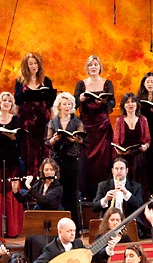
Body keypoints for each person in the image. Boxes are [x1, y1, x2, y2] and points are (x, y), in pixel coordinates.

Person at [74, 55, 116, 193]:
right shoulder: (81, 84)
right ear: (87, 67)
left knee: (104, 160)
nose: (93, 67)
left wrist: (104, 102)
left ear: (100, 67)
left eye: (96, 64)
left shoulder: (107, 83)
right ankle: (87, 192)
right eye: (90, 65)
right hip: (86, 127)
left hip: (103, 127)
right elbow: (74, 104)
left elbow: (112, 102)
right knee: (86, 160)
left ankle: (103, 190)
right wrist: (80, 99)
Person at [0, 91, 24, 237]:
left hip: (11, 162)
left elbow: (19, 139)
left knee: (10, 195)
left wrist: (10, 135)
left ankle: (12, 229)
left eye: (9, 101)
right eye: (4, 100)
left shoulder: (15, 120)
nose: (6, 103)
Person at [15, 52, 55, 179]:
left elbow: (51, 105)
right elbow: (17, 103)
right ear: (26, 66)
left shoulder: (46, 81)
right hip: (26, 124)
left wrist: (54, 124)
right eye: (30, 64)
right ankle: (28, 181)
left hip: (43, 122)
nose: (34, 66)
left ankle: (43, 180)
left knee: (43, 151)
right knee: (27, 153)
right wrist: (14, 122)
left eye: (36, 63)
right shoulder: (20, 82)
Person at [46, 91, 85, 223]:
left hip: (72, 161)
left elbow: (83, 140)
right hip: (57, 162)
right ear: (59, 106)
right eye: (65, 104)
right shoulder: (53, 122)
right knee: (57, 193)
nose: (67, 106)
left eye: (69, 104)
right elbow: (48, 142)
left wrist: (76, 140)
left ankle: (75, 226)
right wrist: (55, 139)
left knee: (72, 194)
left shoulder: (77, 121)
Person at [114, 92, 152, 194]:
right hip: (124, 156)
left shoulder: (143, 119)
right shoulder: (119, 120)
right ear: (123, 105)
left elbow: (148, 139)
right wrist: (119, 151)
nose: (130, 104)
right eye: (127, 102)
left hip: (138, 156)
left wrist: (145, 146)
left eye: (133, 102)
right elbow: (116, 141)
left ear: (137, 104)